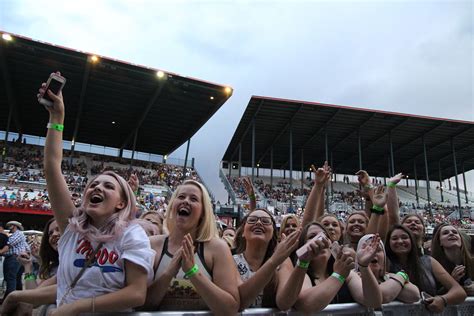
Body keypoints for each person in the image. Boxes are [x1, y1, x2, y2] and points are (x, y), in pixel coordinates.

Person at [39, 73, 155, 315]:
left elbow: (137, 293)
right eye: (94, 184)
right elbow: (52, 166)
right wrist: (56, 117)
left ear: (121, 202)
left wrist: (77, 307)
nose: (97, 188)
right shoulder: (71, 227)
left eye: (108, 186)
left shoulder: (132, 235)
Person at [145, 180, 240, 314]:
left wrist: (193, 272)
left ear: (203, 212)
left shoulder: (218, 248)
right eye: (181, 197)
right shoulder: (151, 245)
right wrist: (168, 274)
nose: (186, 201)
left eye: (194, 199)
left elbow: (230, 309)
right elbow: (141, 306)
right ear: (172, 205)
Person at [294, 224, 383, 313]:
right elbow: (306, 304)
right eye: (312, 236)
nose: (320, 240)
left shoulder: (347, 274)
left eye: (324, 236)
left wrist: (364, 266)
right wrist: (338, 275)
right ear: (302, 245)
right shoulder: (301, 276)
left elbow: (373, 302)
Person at [385, 224, 466, 313]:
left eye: (404, 237)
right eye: (394, 238)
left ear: (412, 241)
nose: (400, 241)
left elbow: (459, 291)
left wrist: (443, 300)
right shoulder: (383, 264)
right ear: (388, 243)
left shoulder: (428, 261)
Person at [233, 208, 303, 310]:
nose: (258, 223)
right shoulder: (231, 261)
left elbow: (284, 303)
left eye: (265, 221)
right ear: (243, 232)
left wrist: (304, 261)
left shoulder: (283, 261)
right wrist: (273, 261)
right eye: (252, 220)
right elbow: (239, 301)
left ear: (272, 234)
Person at [431, 224, 474, 296]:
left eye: (455, 232)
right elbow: (433, 294)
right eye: (445, 233)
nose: (451, 233)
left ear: (461, 239)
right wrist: (451, 281)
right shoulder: (433, 266)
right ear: (440, 242)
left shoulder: (472, 262)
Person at [1, 220, 29, 299]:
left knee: (11, 279)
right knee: (16, 278)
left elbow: (8, 244)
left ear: (14, 226)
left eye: (10, 226)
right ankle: (17, 298)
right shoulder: (21, 235)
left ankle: (9, 299)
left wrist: (3, 235)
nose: (9, 227)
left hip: (13, 258)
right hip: (19, 258)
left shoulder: (18, 234)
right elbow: (27, 248)